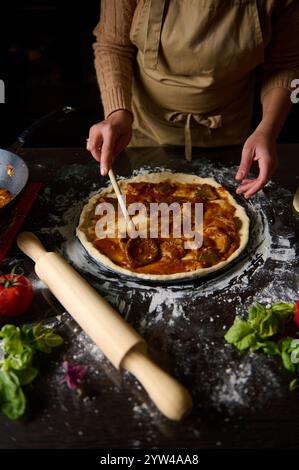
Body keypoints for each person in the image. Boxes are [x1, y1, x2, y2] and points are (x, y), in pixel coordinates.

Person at [87, 0, 299, 198]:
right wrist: (117, 113)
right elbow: (113, 45)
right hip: (144, 130)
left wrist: (267, 129)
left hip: (233, 135)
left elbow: (286, 64)